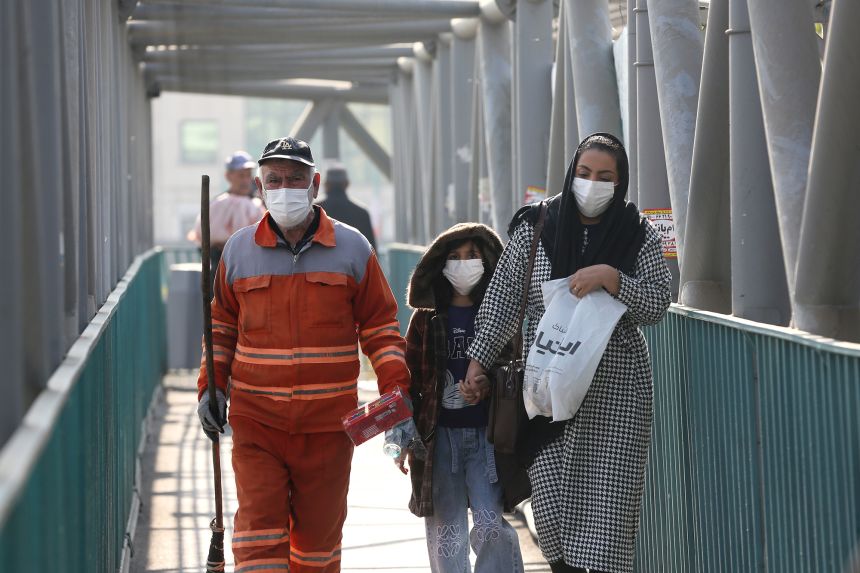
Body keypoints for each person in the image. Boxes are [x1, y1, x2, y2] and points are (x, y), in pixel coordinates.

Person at [195, 136, 410, 573]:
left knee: (317, 548)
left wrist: (397, 394)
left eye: (295, 178)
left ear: (313, 185)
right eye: (275, 180)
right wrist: (210, 390)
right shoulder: (238, 251)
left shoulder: (353, 250)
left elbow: (381, 328)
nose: (285, 187)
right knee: (259, 539)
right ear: (260, 188)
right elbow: (219, 329)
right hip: (257, 424)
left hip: (328, 428)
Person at [465, 133, 672, 573]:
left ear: (621, 183)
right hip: (547, 391)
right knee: (554, 511)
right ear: (571, 171)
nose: (591, 183)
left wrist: (613, 278)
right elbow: (503, 300)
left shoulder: (638, 234)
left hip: (616, 394)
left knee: (608, 515)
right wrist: (478, 362)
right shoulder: (538, 227)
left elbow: (657, 305)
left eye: (605, 176)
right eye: (584, 173)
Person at [399, 222, 525, 572]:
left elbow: (515, 367)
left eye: (472, 255)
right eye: (454, 257)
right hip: (438, 440)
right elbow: (410, 376)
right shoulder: (425, 318)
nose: (464, 263)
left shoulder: (498, 316)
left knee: (490, 527)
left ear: (488, 261)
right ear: (439, 263)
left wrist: (487, 383)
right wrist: (404, 435)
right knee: (447, 535)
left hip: (486, 439)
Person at [188, 150, 266, 274]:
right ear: (228, 176)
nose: (245, 180)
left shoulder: (257, 206)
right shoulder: (217, 204)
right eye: (241, 175)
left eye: (248, 175)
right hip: (219, 267)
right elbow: (201, 237)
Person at [316, 162, 377, 251]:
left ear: (326, 184)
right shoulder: (362, 213)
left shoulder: (314, 210)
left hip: (320, 264)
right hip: (353, 263)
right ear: (347, 184)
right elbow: (372, 251)